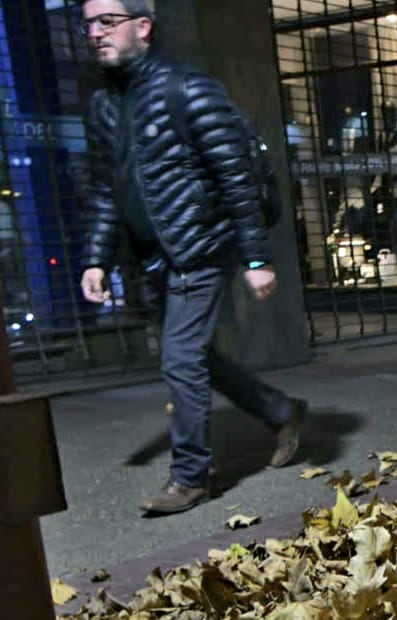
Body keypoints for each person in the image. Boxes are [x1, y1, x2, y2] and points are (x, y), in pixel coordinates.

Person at [75, 0, 306, 516]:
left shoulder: (188, 90)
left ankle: (191, 476)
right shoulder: (103, 108)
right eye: (88, 23)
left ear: (143, 26)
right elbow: (105, 193)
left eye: (107, 21)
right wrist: (97, 260)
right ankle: (281, 410)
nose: (95, 32)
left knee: (180, 358)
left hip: (202, 246)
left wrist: (254, 259)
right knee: (195, 356)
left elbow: (236, 178)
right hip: (153, 258)